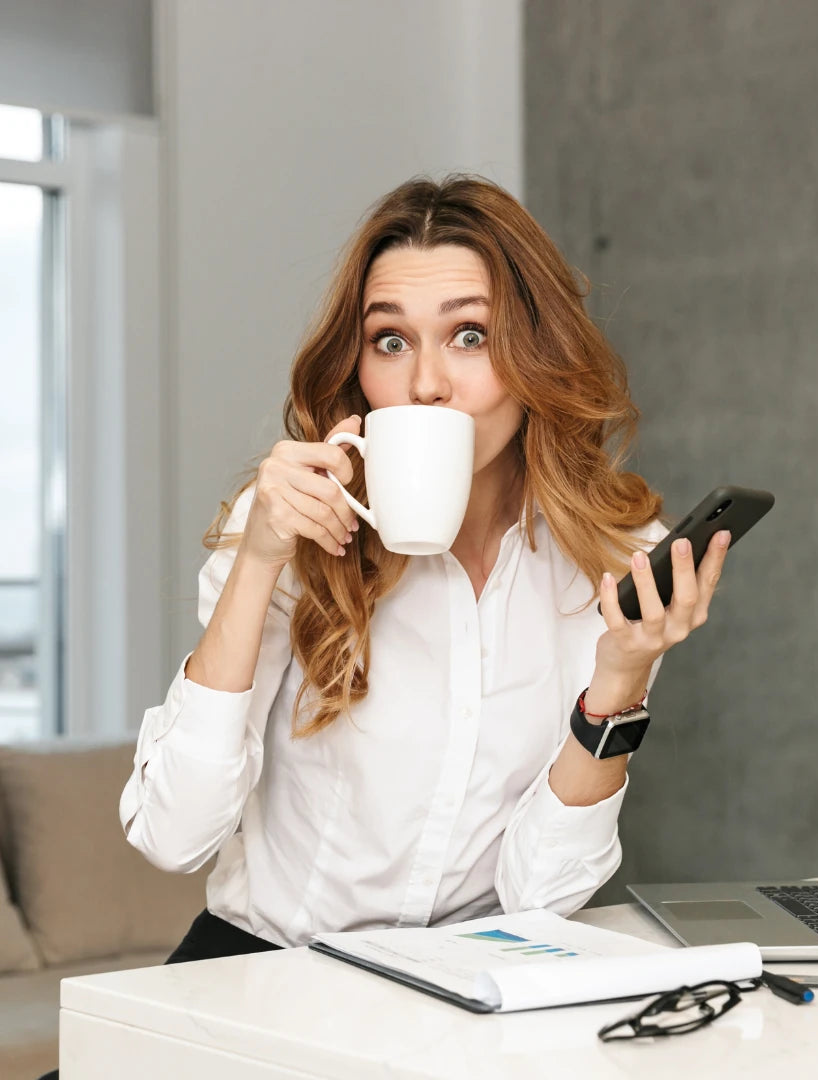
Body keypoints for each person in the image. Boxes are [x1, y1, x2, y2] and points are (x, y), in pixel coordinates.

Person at [121, 174, 732, 961]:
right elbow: (172, 836)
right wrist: (259, 560)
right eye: (391, 340)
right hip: (264, 973)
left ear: (535, 352)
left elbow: (542, 894)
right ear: (361, 368)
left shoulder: (611, 553)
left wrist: (618, 683)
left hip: (463, 986)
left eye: (469, 335)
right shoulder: (293, 527)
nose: (427, 384)